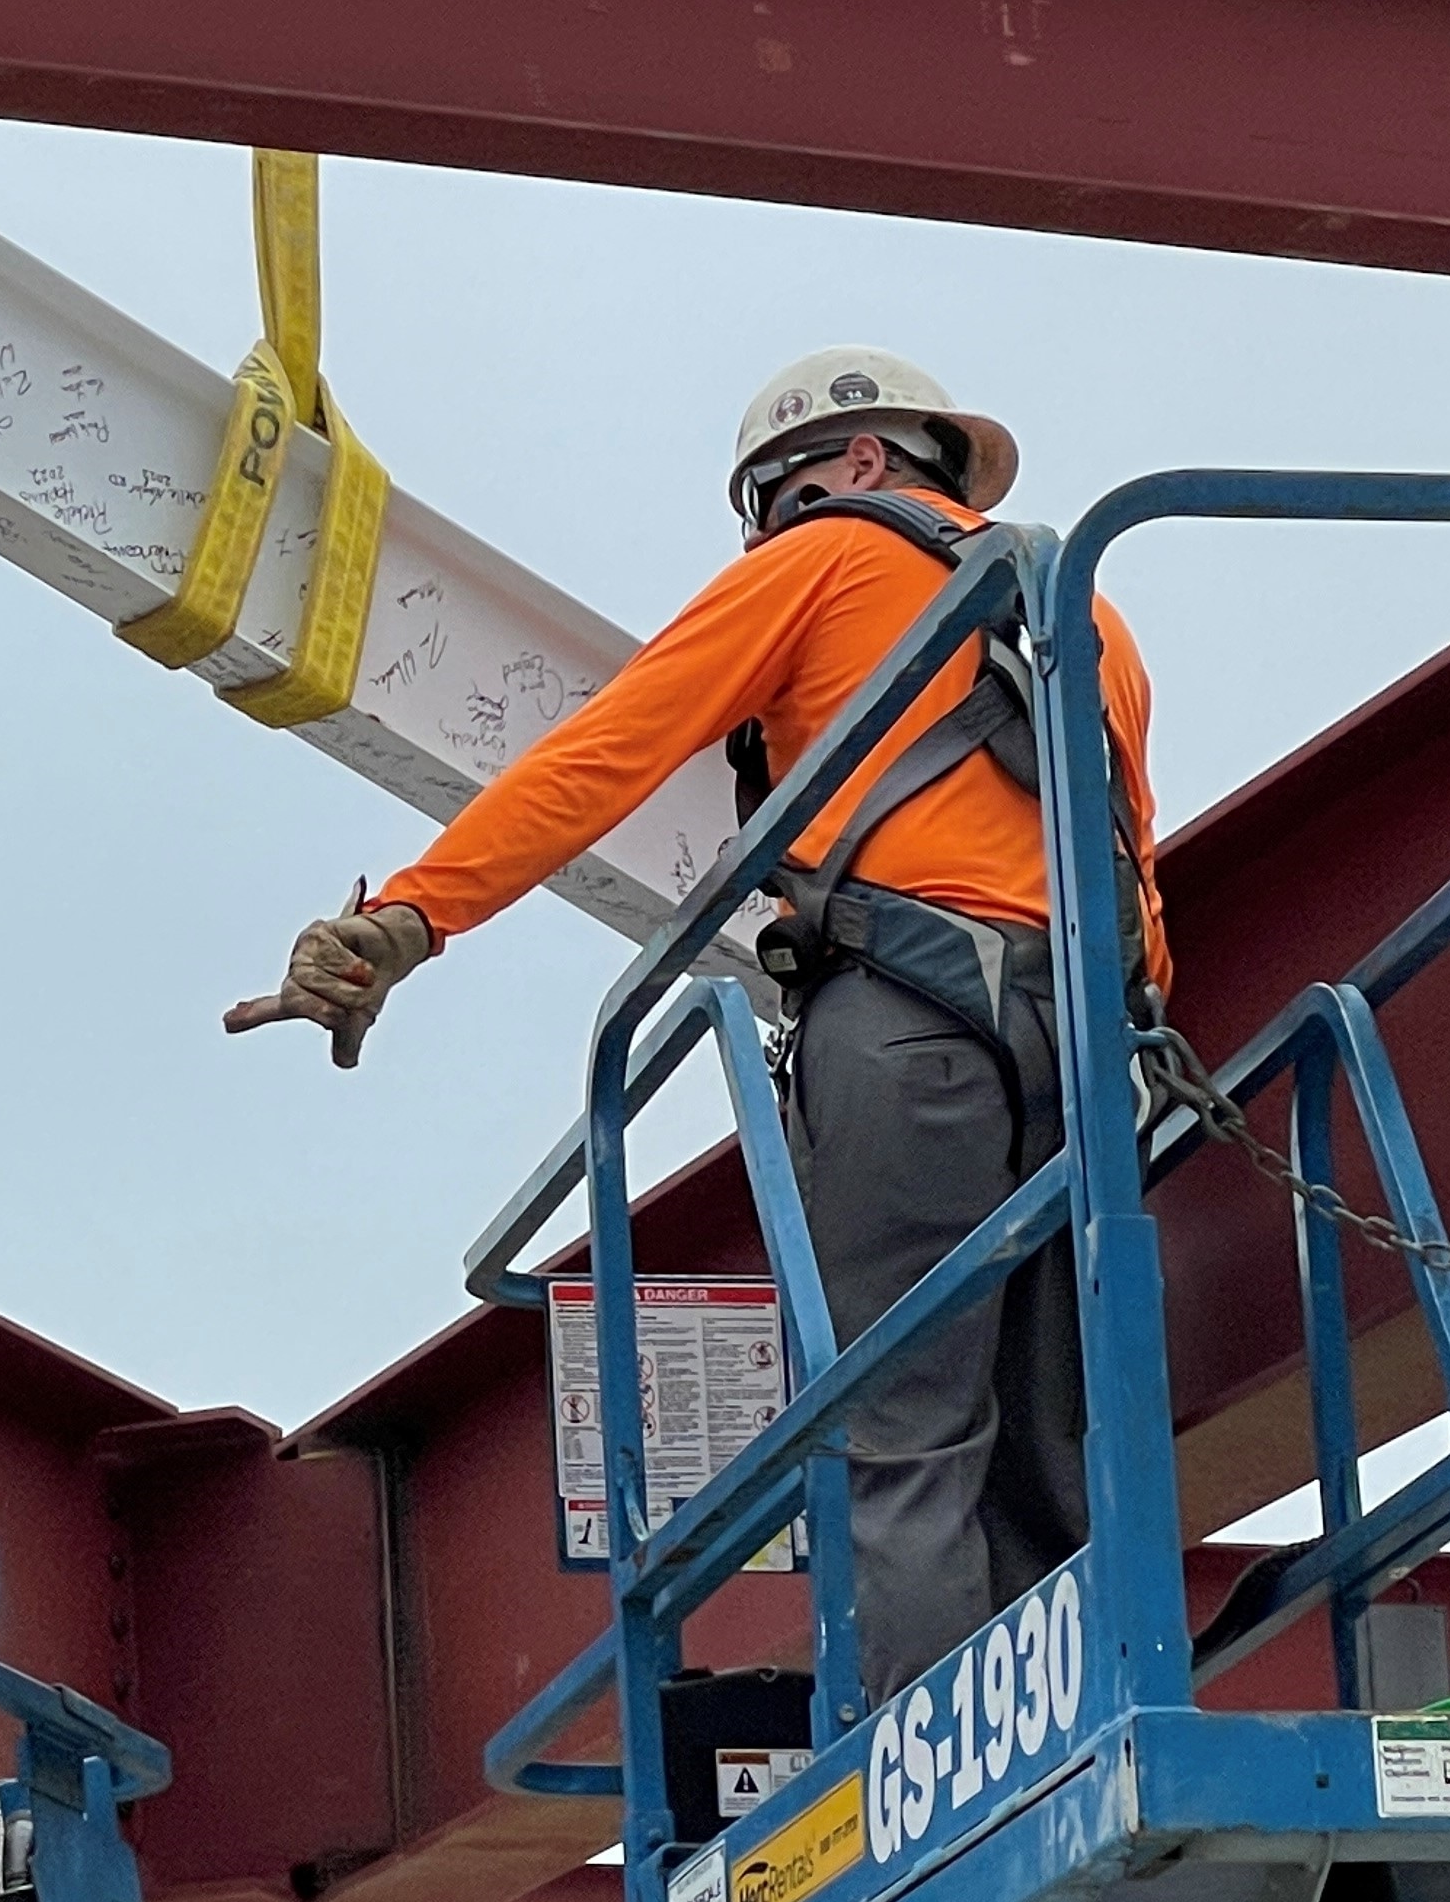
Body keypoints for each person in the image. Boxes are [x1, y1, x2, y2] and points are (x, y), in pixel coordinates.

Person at [229, 347, 1172, 1702]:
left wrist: (412, 920)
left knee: (903, 1430)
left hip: (910, 1029)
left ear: (856, 463)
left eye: (777, 498)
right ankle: (1087, 1730)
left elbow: (606, 752)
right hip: (1085, 1054)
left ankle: (932, 1791)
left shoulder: (824, 560)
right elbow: (1136, 867)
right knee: (1049, 1443)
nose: (771, 532)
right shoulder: (1085, 618)